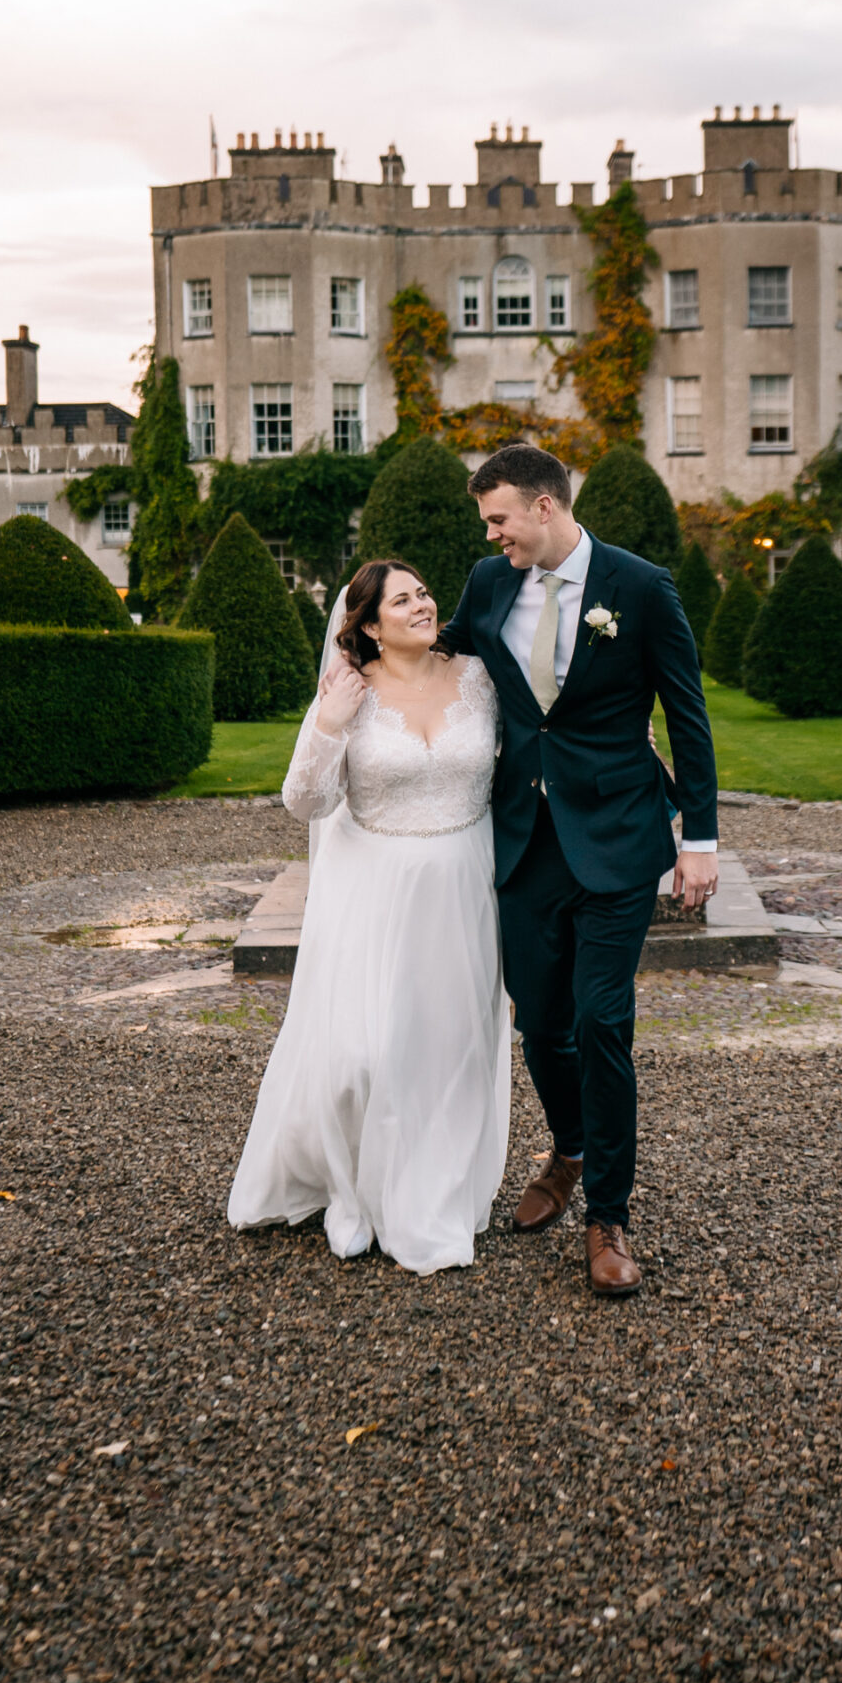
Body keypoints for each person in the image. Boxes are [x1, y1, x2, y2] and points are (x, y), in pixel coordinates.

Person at [441, 441, 718, 1297]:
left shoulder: (640, 587)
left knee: (603, 1022)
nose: (492, 538)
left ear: (544, 507)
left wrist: (699, 838)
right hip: (522, 839)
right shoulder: (489, 585)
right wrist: (357, 652)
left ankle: (609, 1215)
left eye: (499, 520)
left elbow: (687, 712)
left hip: (621, 836)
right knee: (541, 1027)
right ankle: (567, 1147)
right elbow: (440, 655)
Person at [227, 560, 509, 1275]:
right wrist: (327, 721)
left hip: (463, 885)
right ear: (369, 625)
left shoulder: (478, 677)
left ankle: (430, 1195)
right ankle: (354, 1186)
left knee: (449, 1047)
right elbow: (306, 802)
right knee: (364, 1051)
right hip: (374, 891)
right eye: (402, 599)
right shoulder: (349, 691)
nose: (422, 604)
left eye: (424, 591)